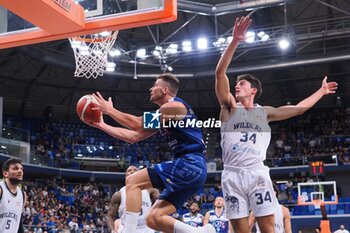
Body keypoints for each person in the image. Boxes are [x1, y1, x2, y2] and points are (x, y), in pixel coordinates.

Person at [215, 16, 338, 233]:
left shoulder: (265, 113)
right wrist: (234, 40)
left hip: (257, 173)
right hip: (232, 175)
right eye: (236, 84)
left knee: (268, 229)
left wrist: (321, 91)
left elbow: (300, 108)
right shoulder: (229, 108)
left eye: (241, 84)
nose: (237, 87)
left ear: (253, 90)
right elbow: (219, 73)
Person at [85, 73, 215, 233]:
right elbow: (133, 136)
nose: (151, 88)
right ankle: (202, 232)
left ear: (165, 89)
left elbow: (137, 124)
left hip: (189, 163)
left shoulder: (175, 107)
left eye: (155, 85)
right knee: (154, 219)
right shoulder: (166, 115)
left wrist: (110, 110)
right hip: (193, 171)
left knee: (132, 181)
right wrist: (101, 125)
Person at [107, 165, 159, 233]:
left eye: (135, 170)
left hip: (146, 228)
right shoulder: (119, 195)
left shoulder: (149, 190)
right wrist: (113, 230)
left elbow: (160, 203)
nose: (132, 171)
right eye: (129, 170)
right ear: (126, 176)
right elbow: (110, 216)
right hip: (126, 229)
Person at [0, 158, 26, 233]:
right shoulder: (1, 190)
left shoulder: (23, 195)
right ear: (6, 173)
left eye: (21, 169)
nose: (20, 171)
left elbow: (19, 223)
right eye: (15, 168)